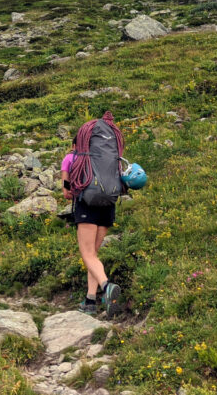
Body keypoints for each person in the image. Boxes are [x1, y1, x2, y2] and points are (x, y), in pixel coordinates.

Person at [61, 111, 124, 316]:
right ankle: (90, 301)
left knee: (87, 254)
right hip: (108, 203)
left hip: (87, 203)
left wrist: (68, 189)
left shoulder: (73, 157)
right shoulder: (108, 158)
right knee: (94, 256)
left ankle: (107, 287)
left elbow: (66, 189)